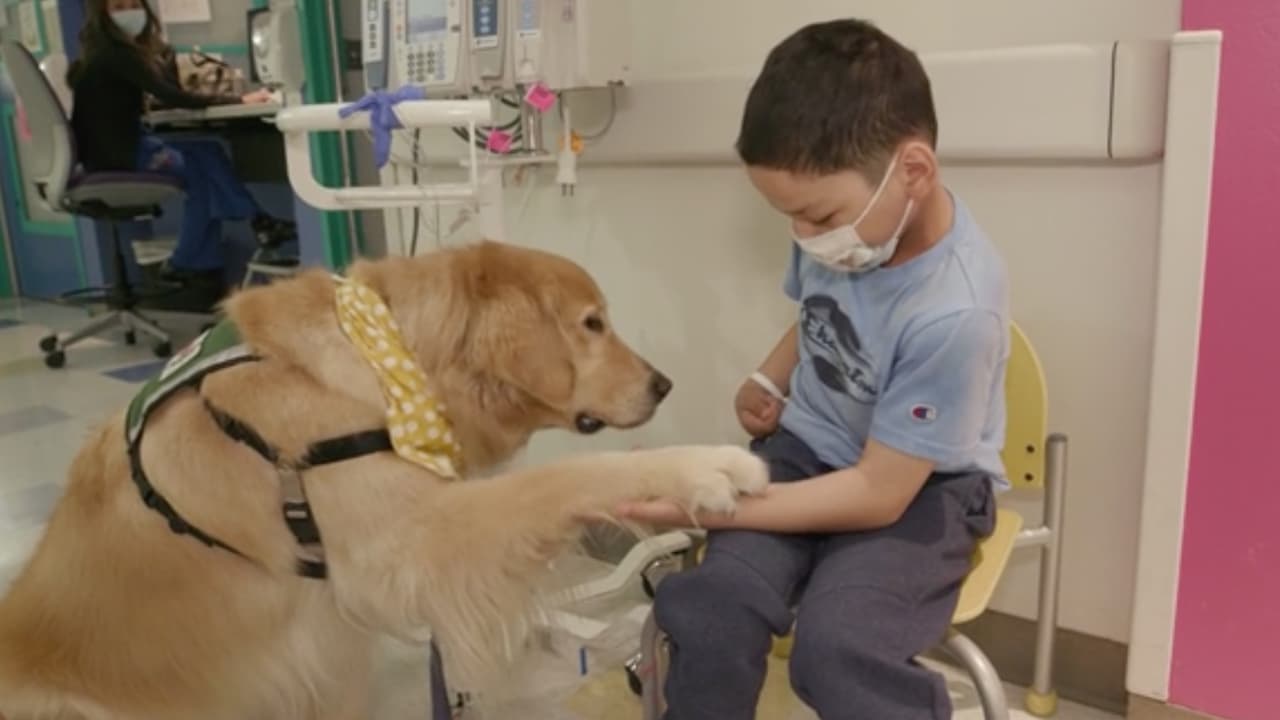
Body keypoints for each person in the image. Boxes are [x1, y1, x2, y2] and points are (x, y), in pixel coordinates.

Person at [620, 19, 1011, 720]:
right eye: (788, 218)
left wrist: (708, 504)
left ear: (913, 172)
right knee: (711, 605)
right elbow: (818, 314)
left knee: (838, 646)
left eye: (815, 214)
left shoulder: (956, 312)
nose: (804, 237)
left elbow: (878, 495)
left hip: (920, 491)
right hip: (806, 453)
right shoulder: (846, 229)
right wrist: (771, 377)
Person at [67, 0, 295, 294]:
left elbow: (161, 93)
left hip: (113, 149)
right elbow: (174, 97)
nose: (129, 12)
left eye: (134, 4)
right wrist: (240, 100)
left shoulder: (106, 53)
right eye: (118, 7)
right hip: (121, 156)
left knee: (208, 152)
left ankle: (228, 243)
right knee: (200, 173)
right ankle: (205, 251)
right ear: (103, 17)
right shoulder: (116, 54)